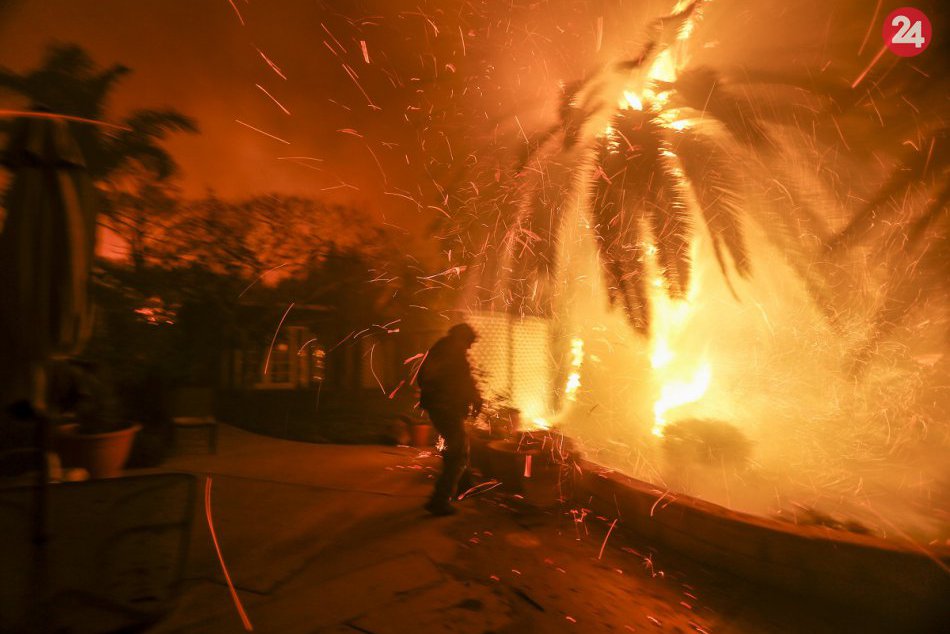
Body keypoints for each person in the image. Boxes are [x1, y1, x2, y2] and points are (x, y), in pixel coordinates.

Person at [417, 323, 483, 516]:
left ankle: (465, 486)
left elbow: (422, 378)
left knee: (460, 446)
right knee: (457, 452)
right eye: (469, 342)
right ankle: (439, 500)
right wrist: (475, 399)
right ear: (462, 337)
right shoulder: (453, 352)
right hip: (446, 409)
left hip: (440, 407)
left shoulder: (441, 348)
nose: (470, 346)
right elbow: (462, 381)